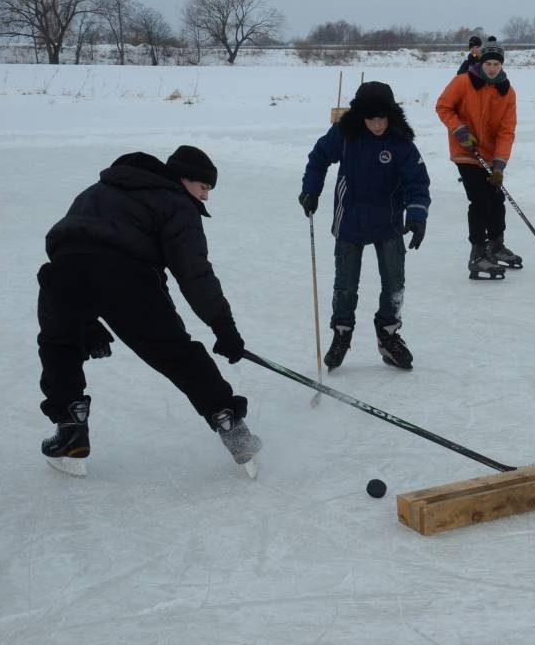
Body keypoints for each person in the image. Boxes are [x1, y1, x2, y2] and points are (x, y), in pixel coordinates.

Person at [37, 146, 260, 477]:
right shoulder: (177, 203)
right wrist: (224, 329)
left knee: (59, 344)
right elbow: (194, 273)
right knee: (177, 354)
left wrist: (85, 320)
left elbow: (74, 247)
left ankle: (70, 426)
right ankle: (231, 426)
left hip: (62, 272)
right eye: (204, 187)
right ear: (183, 179)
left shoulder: (98, 190)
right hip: (124, 276)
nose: (205, 197)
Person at [300, 81, 431, 371]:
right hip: (350, 220)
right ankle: (342, 333)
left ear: (391, 116)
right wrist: (312, 190)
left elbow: (417, 182)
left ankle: (388, 334)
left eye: (382, 118)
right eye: (371, 118)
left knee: (394, 283)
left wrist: (417, 216)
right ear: (361, 117)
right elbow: (318, 158)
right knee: (345, 285)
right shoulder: (345, 136)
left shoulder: (400, 143)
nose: (377, 124)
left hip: (389, 222)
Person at [436, 36, 519, 280]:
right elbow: (443, 107)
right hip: (466, 152)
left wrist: (500, 164)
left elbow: (507, 130)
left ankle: (496, 244)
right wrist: (459, 130)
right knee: (480, 200)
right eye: (488, 63)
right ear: (481, 62)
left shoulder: (508, 92)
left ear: (501, 65)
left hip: (491, 156)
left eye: (496, 63)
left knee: (497, 198)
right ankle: (478, 253)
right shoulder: (463, 82)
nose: (492, 68)